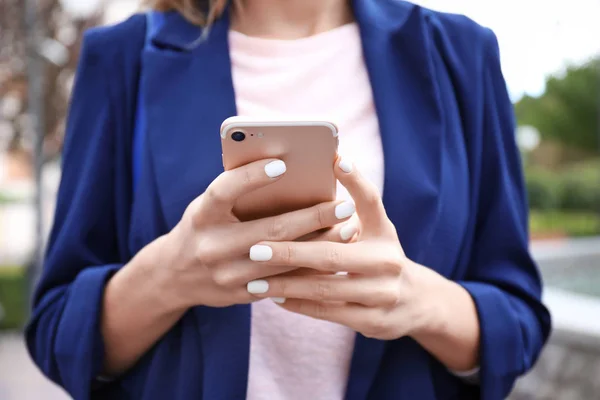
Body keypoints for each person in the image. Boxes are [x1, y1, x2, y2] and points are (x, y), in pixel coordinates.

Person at [25, 0, 552, 399]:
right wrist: (168, 275)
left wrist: (417, 300)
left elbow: (518, 320)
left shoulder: (459, 52)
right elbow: (57, 330)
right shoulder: (122, 57)